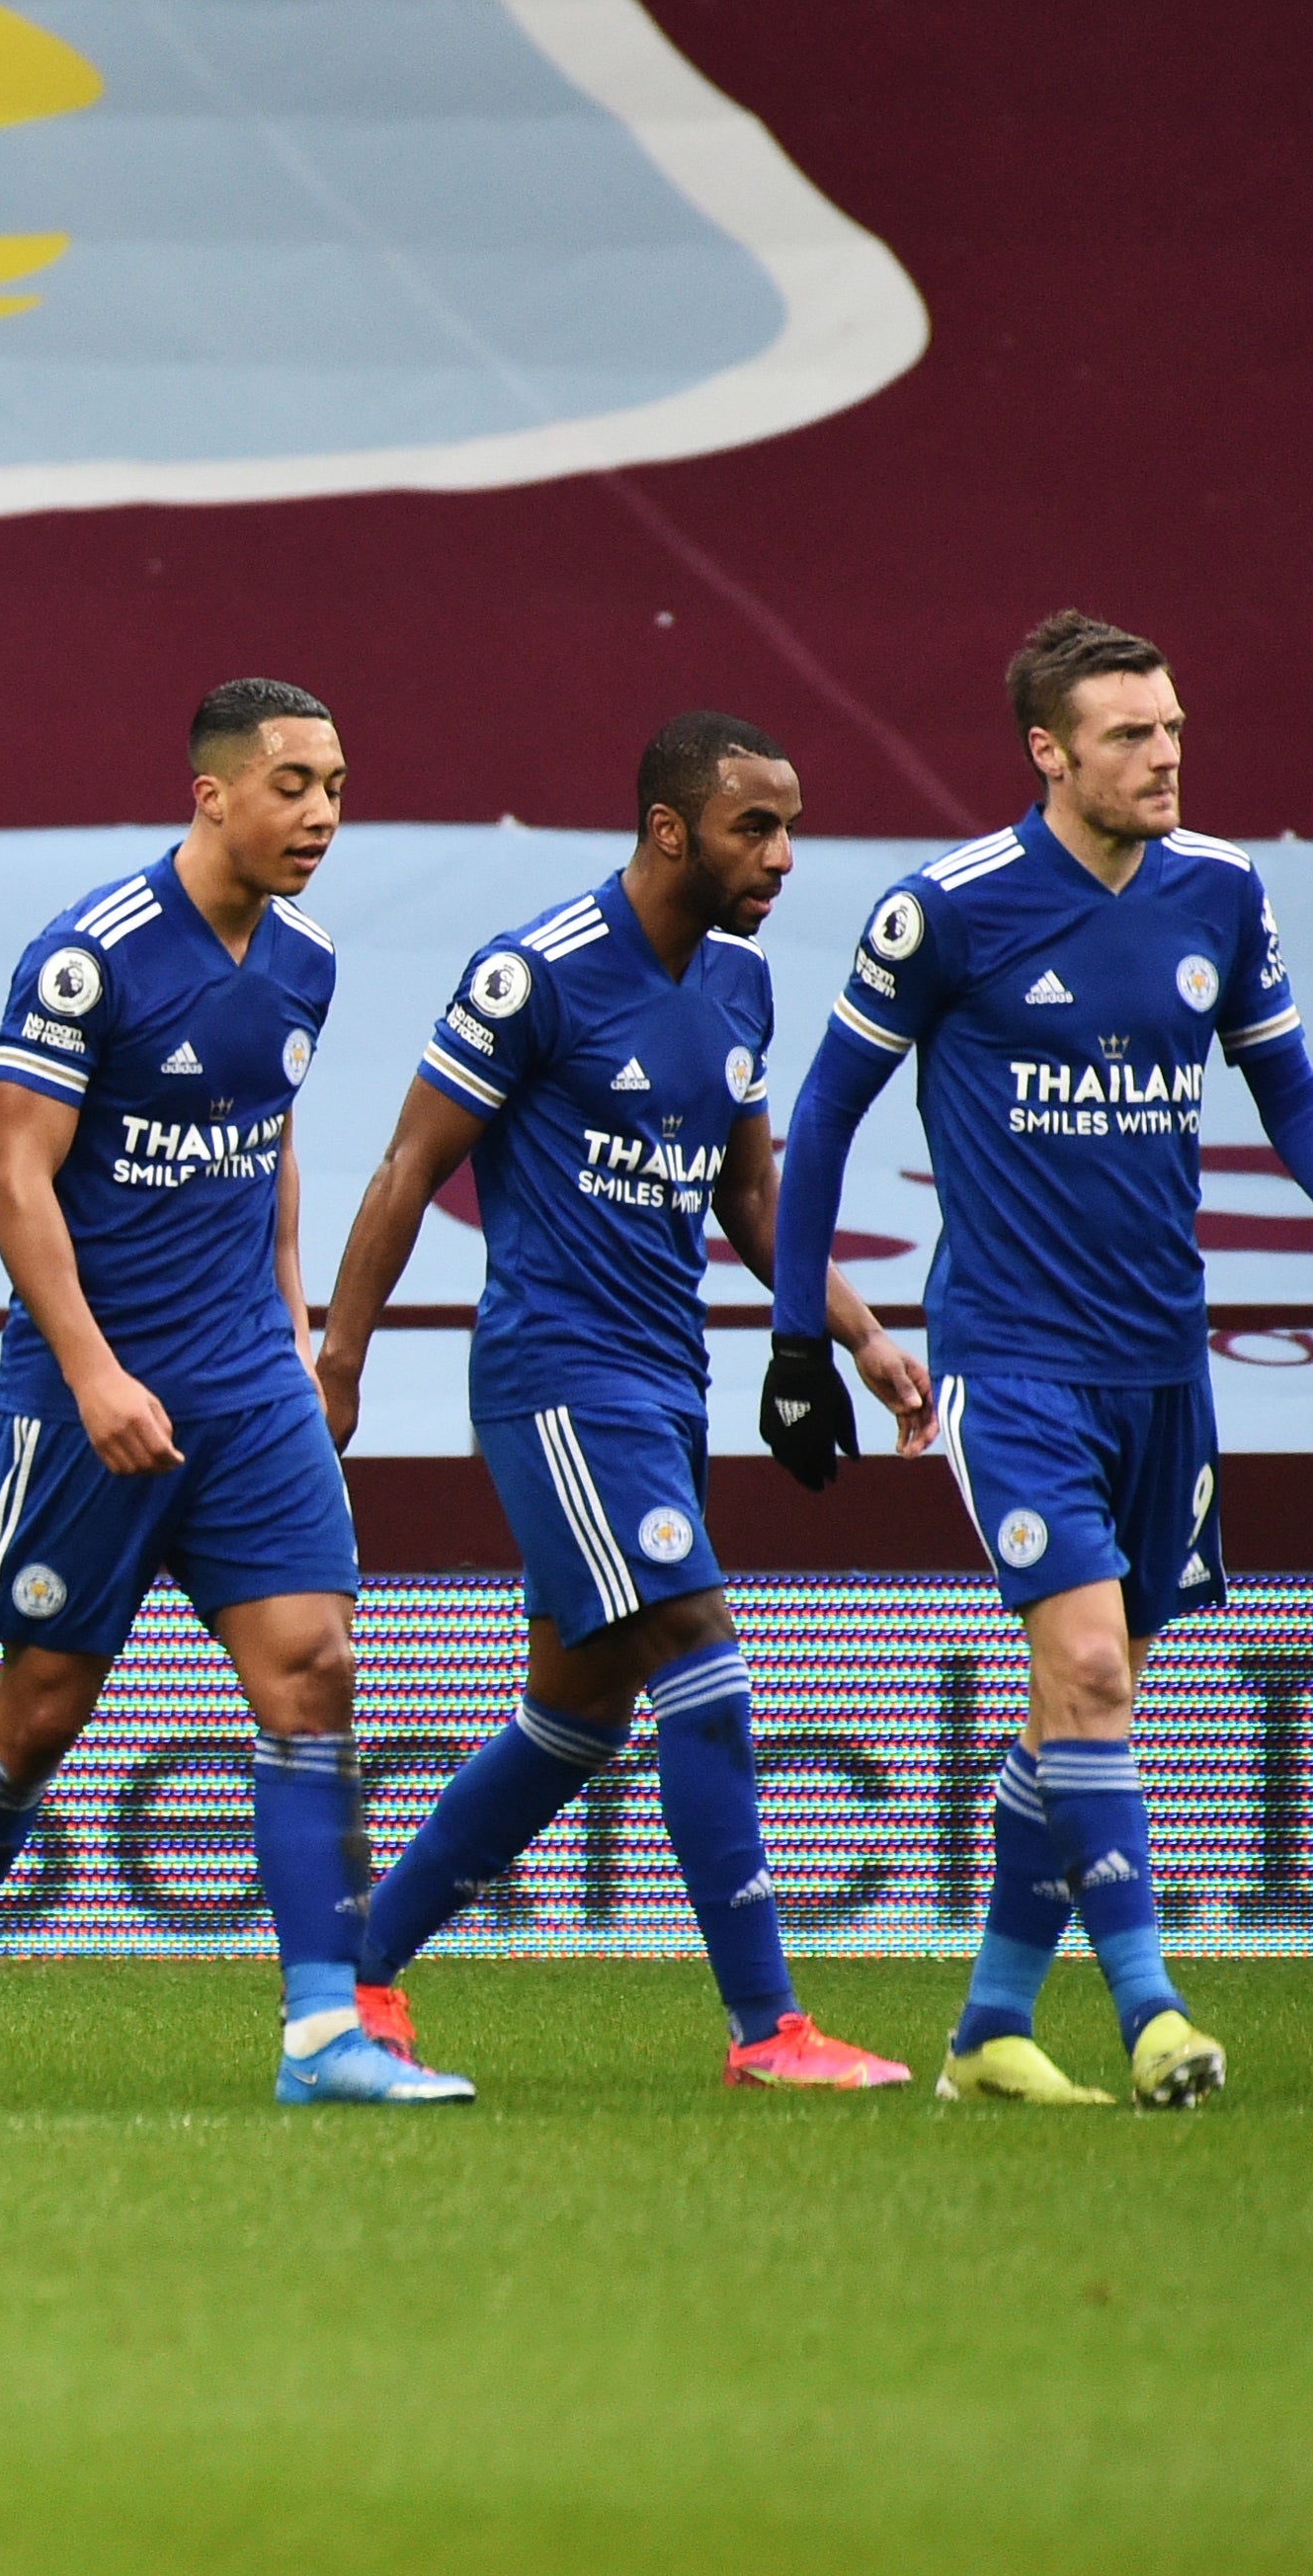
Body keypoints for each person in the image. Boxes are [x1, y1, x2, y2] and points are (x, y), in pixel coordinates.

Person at [0, 680, 469, 2109]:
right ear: (209, 794)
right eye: (290, 784)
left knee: (311, 1669)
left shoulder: (307, 958)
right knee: (44, 1708)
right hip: (93, 1391)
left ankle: (323, 2037)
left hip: (246, 1385)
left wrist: (301, 1334)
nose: (319, 812)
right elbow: (14, 1186)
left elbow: (271, 1145)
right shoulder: (89, 959)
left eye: (334, 783)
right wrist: (90, 1375)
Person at [315, 711, 928, 2086]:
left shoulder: (739, 986)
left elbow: (755, 1198)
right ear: (668, 829)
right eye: (750, 827)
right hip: (555, 1378)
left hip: (664, 1384)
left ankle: (355, 1977)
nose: (778, 854)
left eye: (786, 825)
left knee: (574, 1716)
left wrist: (859, 1337)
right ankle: (767, 2031)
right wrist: (338, 1362)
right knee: (702, 1656)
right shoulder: (534, 973)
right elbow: (407, 1167)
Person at [771, 611, 1313, 2107]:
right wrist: (793, 1340)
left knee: (1080, 1707)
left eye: (1170, 728)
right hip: (1008, 1361)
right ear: (1046, 751)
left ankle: (984, 2033)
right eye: (1128, 736)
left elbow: (1289, 1094)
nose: (1162, 756)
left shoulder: (1217, 893)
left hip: (1164, 1365)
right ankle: (1150, 2013)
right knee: (1083, 1665)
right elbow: (817, 1117)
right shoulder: (943, 912)